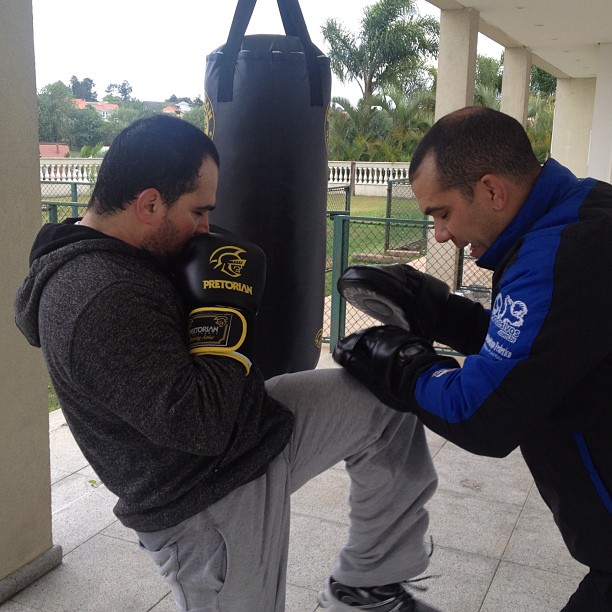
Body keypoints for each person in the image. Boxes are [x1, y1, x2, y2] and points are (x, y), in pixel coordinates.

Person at [13, 114, 442, 612]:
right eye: (198, 211)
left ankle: (368, 585)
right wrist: (226, 310)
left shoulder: (121, 256)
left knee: (387, 401)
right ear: (149, 203)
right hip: (207, 501)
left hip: (255, 426)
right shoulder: (100, 296)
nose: (205, 228)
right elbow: (204, 424)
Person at [333, 106, 612, 611]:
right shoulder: (580, 210)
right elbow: (548, 351)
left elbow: (483, 413)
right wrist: (444, 315)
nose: (439, 233)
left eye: (441, 213)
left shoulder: (558, 255)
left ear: (491, 190)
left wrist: (398, 363)